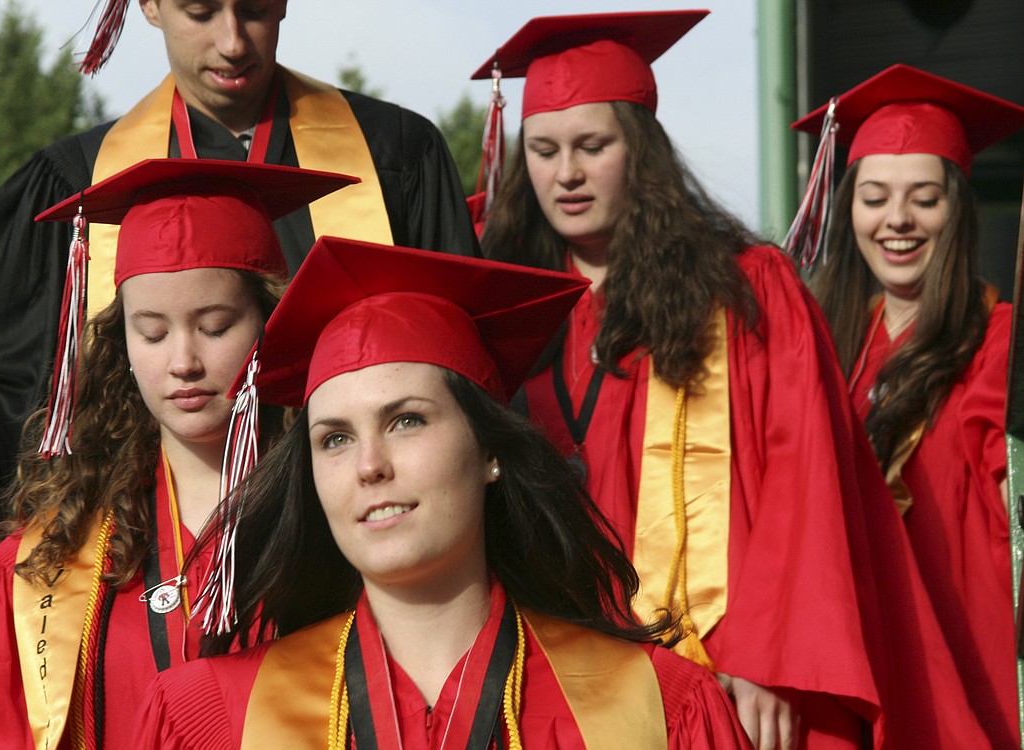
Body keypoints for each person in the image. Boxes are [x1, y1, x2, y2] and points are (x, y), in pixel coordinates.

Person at [476, 12, 989, 750]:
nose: (566, 174)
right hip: (550, 670)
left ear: (640, 150)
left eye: (593, 146)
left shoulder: (743, 289)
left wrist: (771, 658)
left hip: (720, 677)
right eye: (545, 150)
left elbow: (803, 473)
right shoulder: (502, 299)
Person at [0, 0, 479, 551]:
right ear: (149, 7)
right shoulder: (77, 181)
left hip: (353, 535)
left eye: (253, 9)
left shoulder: (396, 154)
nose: (232, 42)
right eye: (200, 12)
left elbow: (462, 363)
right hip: (139, 545)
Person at [129, 236, 752, 748]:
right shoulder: (210, 719)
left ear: (489, 452)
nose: (369, 465)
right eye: (335, 439)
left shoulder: (659, 712)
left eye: (407, 421)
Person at [0, 158, 355, 749]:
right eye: (153, 332)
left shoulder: (342, 517)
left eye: (215, 327)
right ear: (122, 342)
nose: (183, 362)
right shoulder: (56, 552)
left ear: (271, 324)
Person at [797, 64, 1024, 749]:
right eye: (873, 197)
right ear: (848, 210)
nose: (896, 220)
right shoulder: (823, 349)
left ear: (957, 211)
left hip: (960, 667)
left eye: (923, 198)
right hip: (848, 659)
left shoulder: (1002, 343)